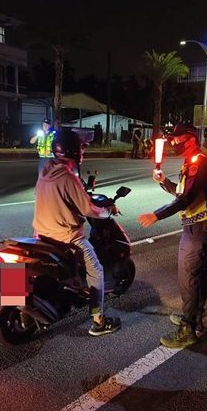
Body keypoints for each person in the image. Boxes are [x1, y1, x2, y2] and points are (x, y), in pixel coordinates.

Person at [138, 123, 207, 348]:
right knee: (197, 275)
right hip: (197, 226)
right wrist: (164, 182)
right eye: (172, 140)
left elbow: (185, 200)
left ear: (190, 139)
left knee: (189, 277)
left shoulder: (200, 162)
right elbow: (184, 193)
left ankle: (188, 328)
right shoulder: (192, 162)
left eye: (177, 140)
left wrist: (156, 215)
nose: (174, 143)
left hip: (200, 228)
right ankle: (194, 317)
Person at [33, 129, 122, 336]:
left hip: (41, 234)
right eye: (82, 147)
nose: (83, 151)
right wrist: (108, 211)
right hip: (67, 238)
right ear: (74, 150)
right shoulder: (68, 177)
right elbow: (88, 209)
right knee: (96, 270)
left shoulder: (46, 169)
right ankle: (98, 321)